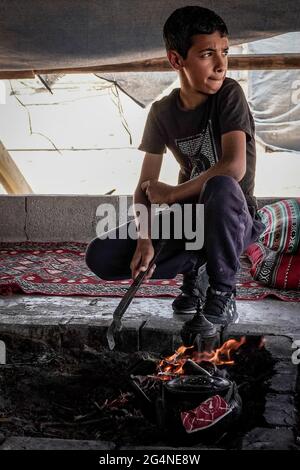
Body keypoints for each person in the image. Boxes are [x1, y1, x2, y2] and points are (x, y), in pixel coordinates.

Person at [85, 6, 264, 330]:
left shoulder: (229, 94)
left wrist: (172, 193)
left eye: (224, 52)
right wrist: (144, 240)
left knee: (220, 186)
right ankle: (194, 273)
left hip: (235, 217)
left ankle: (222, 293)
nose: (221, 65)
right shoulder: (161, 112)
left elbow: (234, 168)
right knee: (101, 254)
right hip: (191, 220)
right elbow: (144, 186)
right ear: (176, 59)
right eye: (207, 54)